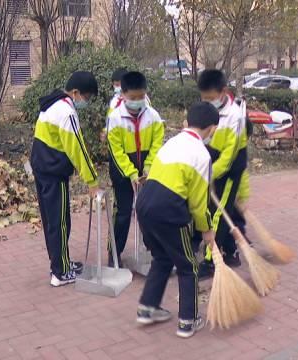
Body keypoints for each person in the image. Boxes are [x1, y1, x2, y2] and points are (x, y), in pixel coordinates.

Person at [135, 102, 219, 339]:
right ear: (212, 129)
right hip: (169, 211)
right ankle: (188, 321)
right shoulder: (201, 155)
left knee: (161, 257)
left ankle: (147, 308)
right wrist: (207, 230)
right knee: (188, 265)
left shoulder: (172, 142)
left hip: (144, 205)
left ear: (187, 122)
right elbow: (198, 203)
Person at [30, 71, 100, 287]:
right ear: (76, 93)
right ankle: (60, 272)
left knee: (52, 220)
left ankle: (62, 263)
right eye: (86, 98)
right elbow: (77, 148)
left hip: (42, 167)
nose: (85, 103)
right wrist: (92, 181)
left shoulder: (52, 104)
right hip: (53, 172)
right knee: (60, 223)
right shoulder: (66, 112)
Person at [195, 69, 249, 279]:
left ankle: (211, 261)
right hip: (209, 167)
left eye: (211, 98)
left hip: (227, 173)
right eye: (204, 98)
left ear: (223, 92)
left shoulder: (235, 116)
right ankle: (231, 253)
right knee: (211, 210)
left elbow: (228, 157)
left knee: (217, 215)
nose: (207, 102)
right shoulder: (202, 110)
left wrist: (209, 175)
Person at [107, 71, 164, 265]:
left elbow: (157, 143)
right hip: (123, 172)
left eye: (141, 97)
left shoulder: (153, 116)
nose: (137, 101)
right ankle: (114, 254)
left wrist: (148, 167)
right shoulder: (115, 118)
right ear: (122, 95)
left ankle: (152, 248)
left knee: (149, 210)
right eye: (132, 98)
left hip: (147, 170)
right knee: (123, 213)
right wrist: (131, 174)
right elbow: (116, 152)